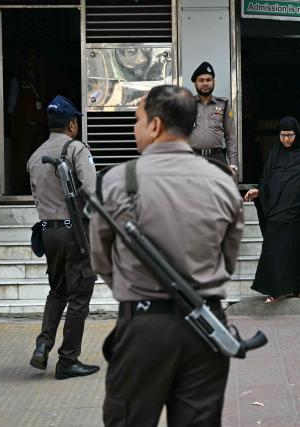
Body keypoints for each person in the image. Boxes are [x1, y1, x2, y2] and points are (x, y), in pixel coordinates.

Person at [89, 85, 243, 426]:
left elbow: (100, 257)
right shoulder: (223, 184)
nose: (134, 128)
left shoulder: (116, 181)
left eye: (137, 119)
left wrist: (134, 288)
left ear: (155, 126)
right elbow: (228, 260)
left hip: (143, 326)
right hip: (207, 327)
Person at [26, 95, 99, 380]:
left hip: (48, 231)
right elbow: (92, 191)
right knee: (80, 294)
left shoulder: (34, 156)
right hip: (74, 232)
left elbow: (36, 197)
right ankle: (68, 360)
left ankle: (43, 344)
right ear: (71, 124)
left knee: (57, 291)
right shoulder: (75, 148)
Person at [244, 117, 300, 303]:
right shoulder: (274, 153)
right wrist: (258, 191)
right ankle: (274, 289)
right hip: (278, 207)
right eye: (283, 135)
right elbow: (267, 179)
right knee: (274, 247)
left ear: (296, 133)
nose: (286, 140)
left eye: (290, 135)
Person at [189, 61, 238, 178]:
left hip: (217, 158)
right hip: (193, 158)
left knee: (218, 194)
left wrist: (233, 163)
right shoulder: (186, 104)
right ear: (195, 83)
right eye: (201, 80)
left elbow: (230, 137)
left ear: (213, 82)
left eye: (208, 80)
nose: (205, 83)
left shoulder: (224, 104)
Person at [9, 48, 47, 194]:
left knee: (38, 160)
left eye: (34, 59)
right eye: (29, 59)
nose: (32, 62)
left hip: (39, 126)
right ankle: (19, 191)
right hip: (23, 127)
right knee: (22, 161)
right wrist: (13, 129)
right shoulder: (17, 80)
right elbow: (11, 108)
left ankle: (37, 190)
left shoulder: (40, 81)